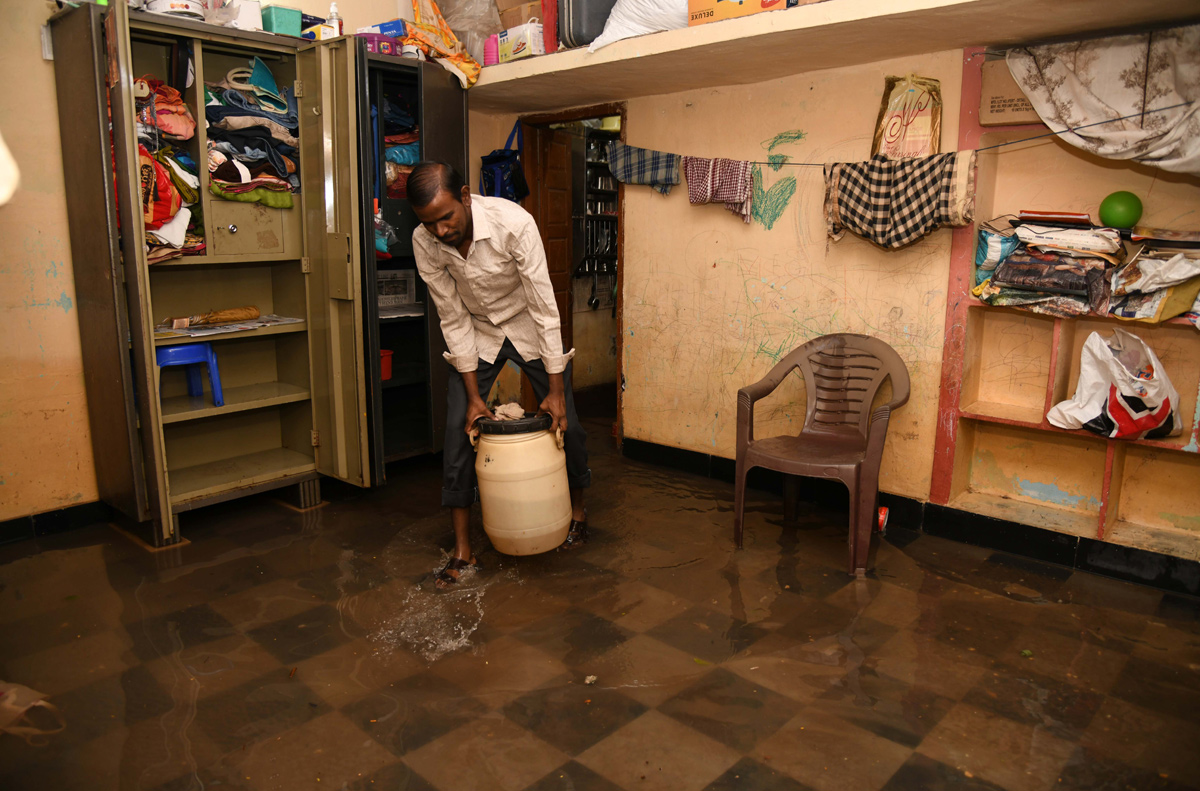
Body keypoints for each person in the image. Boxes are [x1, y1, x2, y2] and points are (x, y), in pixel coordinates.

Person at [408, 161, 590, 588]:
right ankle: (463, 551)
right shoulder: (425, 242)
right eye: (428, 223)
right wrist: (473, 398)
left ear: (466, 195)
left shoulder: (514, 223)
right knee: (458, 430)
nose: (440, 231)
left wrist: (557, 392)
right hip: (478, 332)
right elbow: (452, 318)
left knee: (571, 425)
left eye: (446, 217)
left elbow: (545, 308)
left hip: (527, 322)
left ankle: (577, 516)